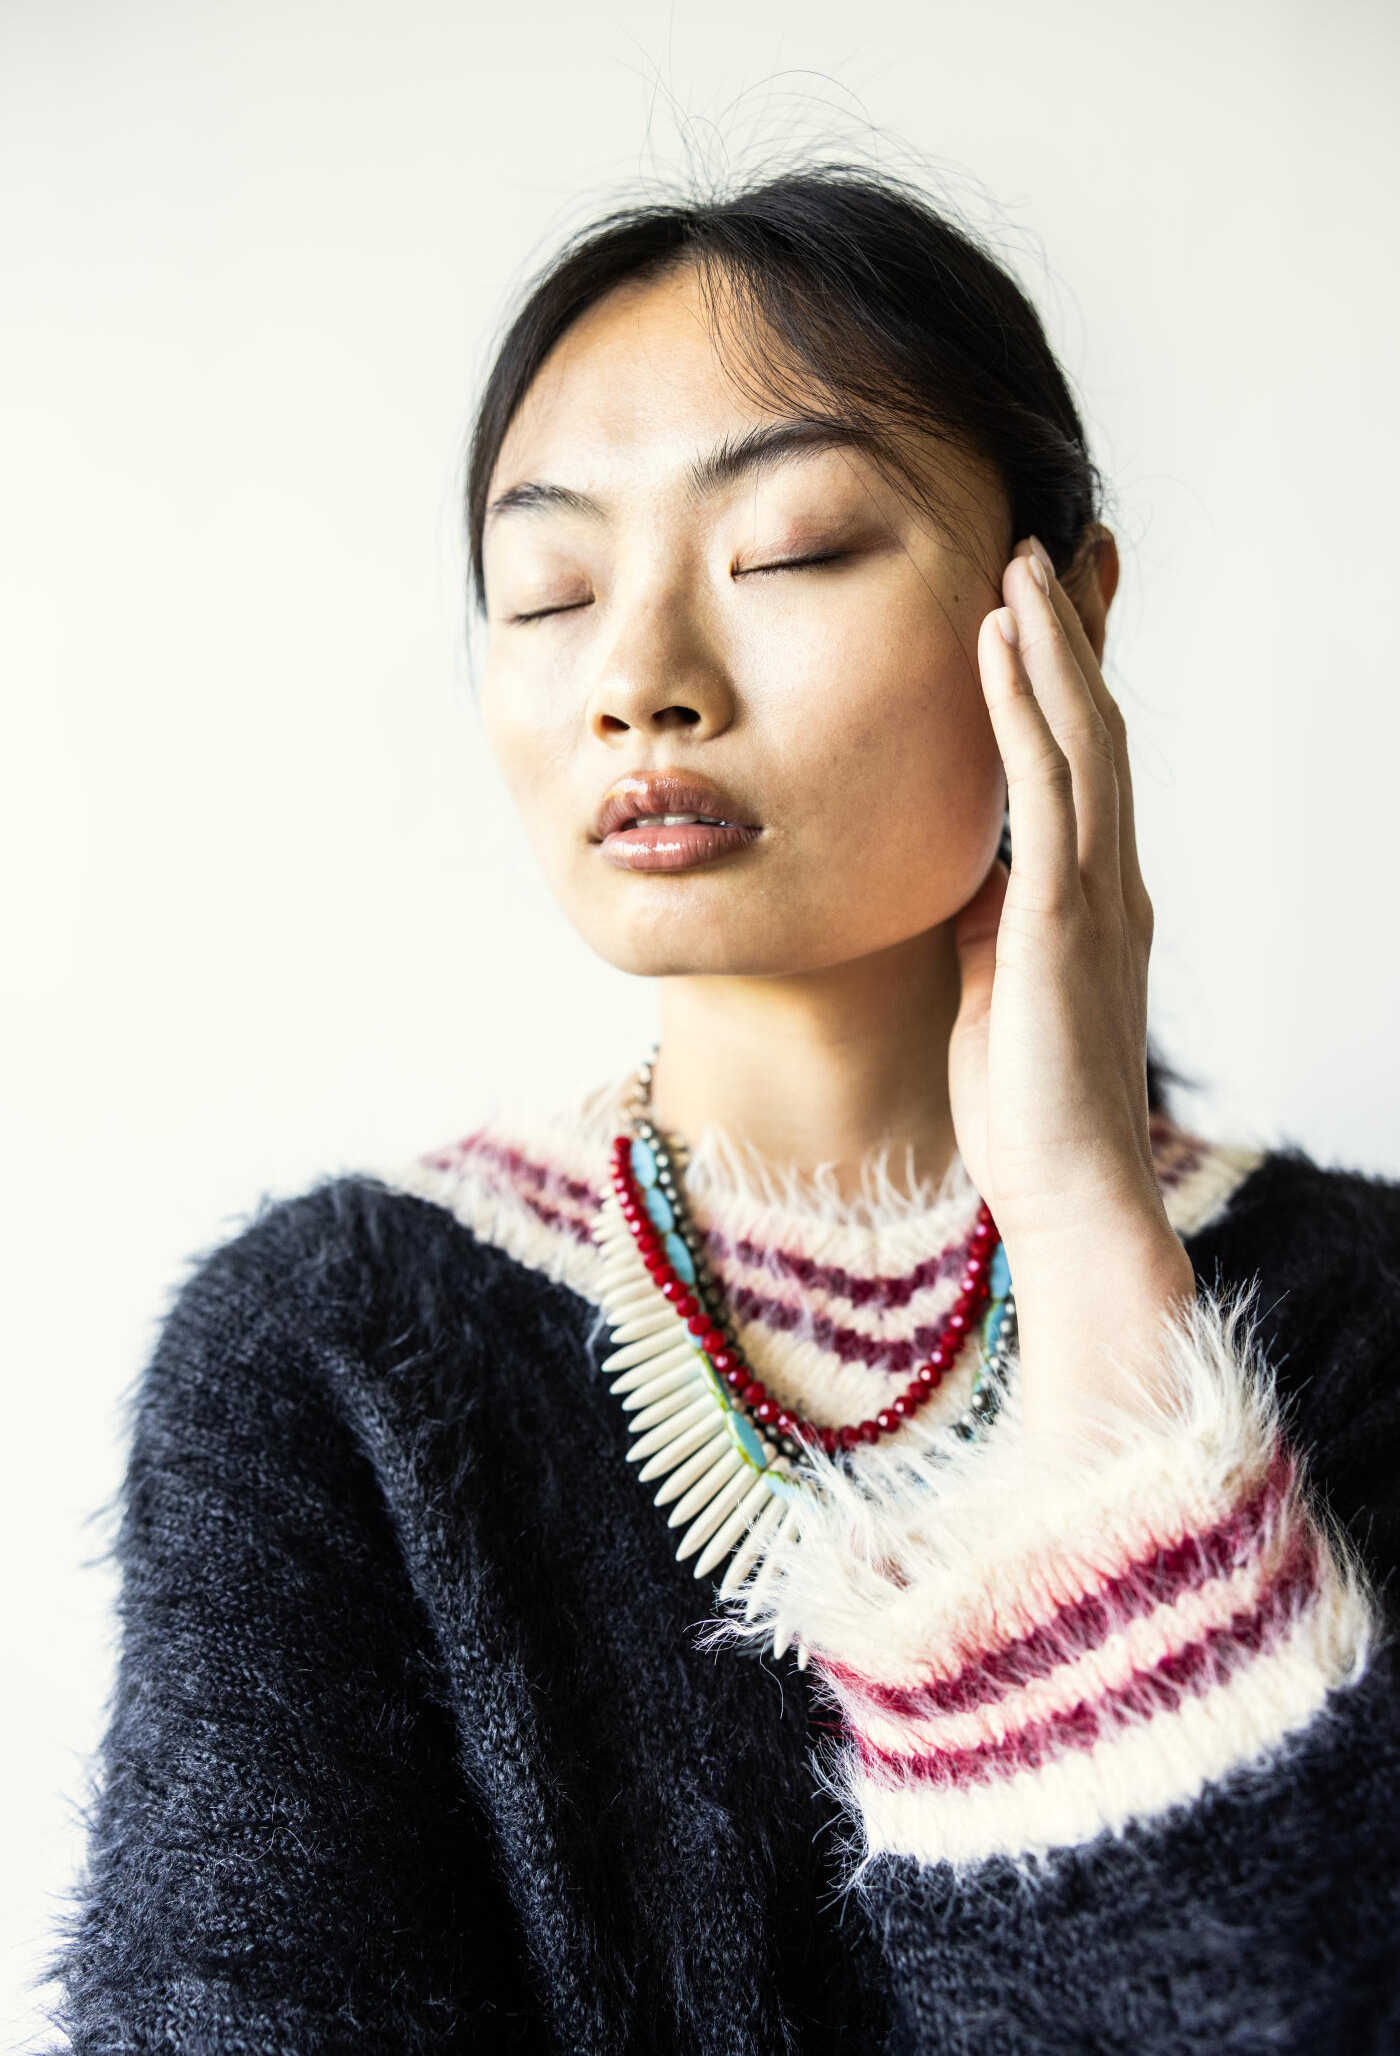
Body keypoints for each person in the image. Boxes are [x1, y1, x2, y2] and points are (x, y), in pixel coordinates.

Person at [47, 164, 1399, 2055]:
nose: (639, 683)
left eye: (791, 552)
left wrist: (1101, 1258)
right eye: (551, 588)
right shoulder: (333, 1357)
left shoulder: (1358, 1313)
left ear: (1067, 609)